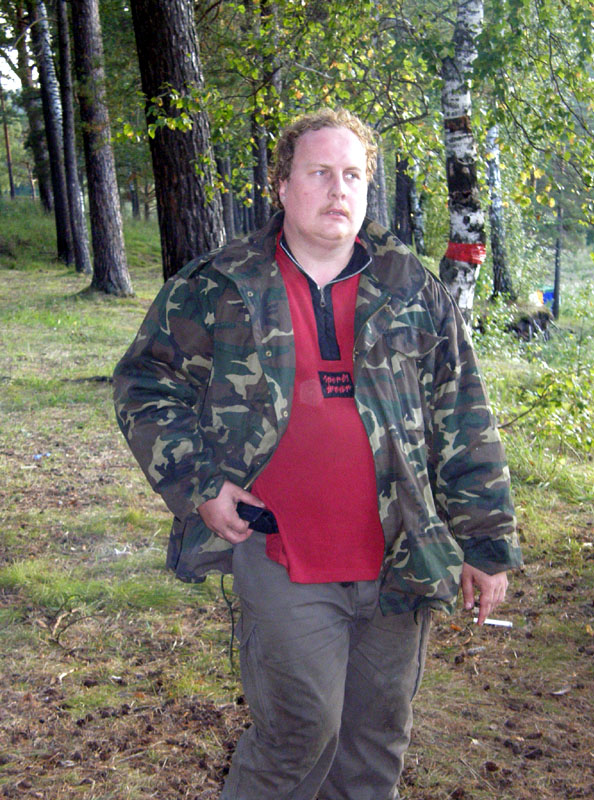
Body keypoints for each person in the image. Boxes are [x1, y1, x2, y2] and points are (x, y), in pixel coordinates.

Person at [113, 107, 522, 800]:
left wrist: (485, 542)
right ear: (282, 185)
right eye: (320, 172)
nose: (339, 190)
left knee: (374, 745)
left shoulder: (410, 288)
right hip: (282, 554)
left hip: (398, 555)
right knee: (298, 735)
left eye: (353, 175)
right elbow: (145, 383)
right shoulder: (222, 285)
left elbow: (463, 414)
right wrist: (201, 485)